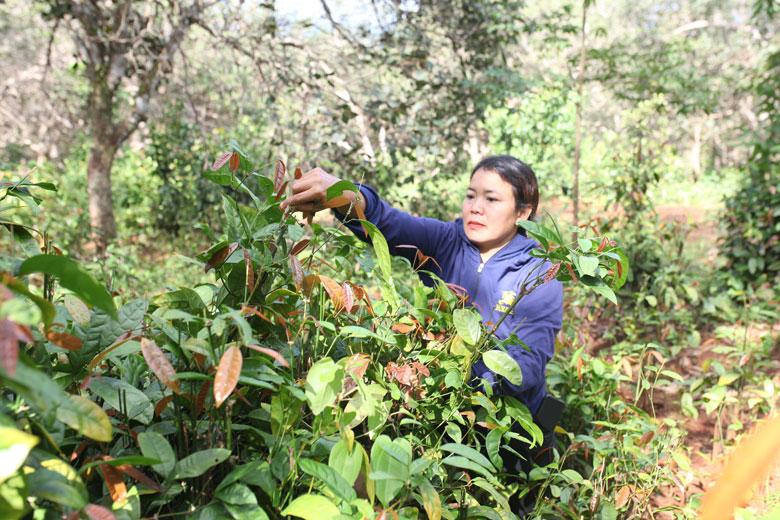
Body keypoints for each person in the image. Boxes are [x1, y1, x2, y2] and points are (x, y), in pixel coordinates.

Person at [280, 155, 563, 511]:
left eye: (491, 199)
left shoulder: (540, 273)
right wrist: (344, 195)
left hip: (512, 431)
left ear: (522, 212)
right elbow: (387, 222)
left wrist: (449, 378)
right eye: (470, 195)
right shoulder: (448, 240)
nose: (476, 208)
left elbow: (527, 368)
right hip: (448, 425)